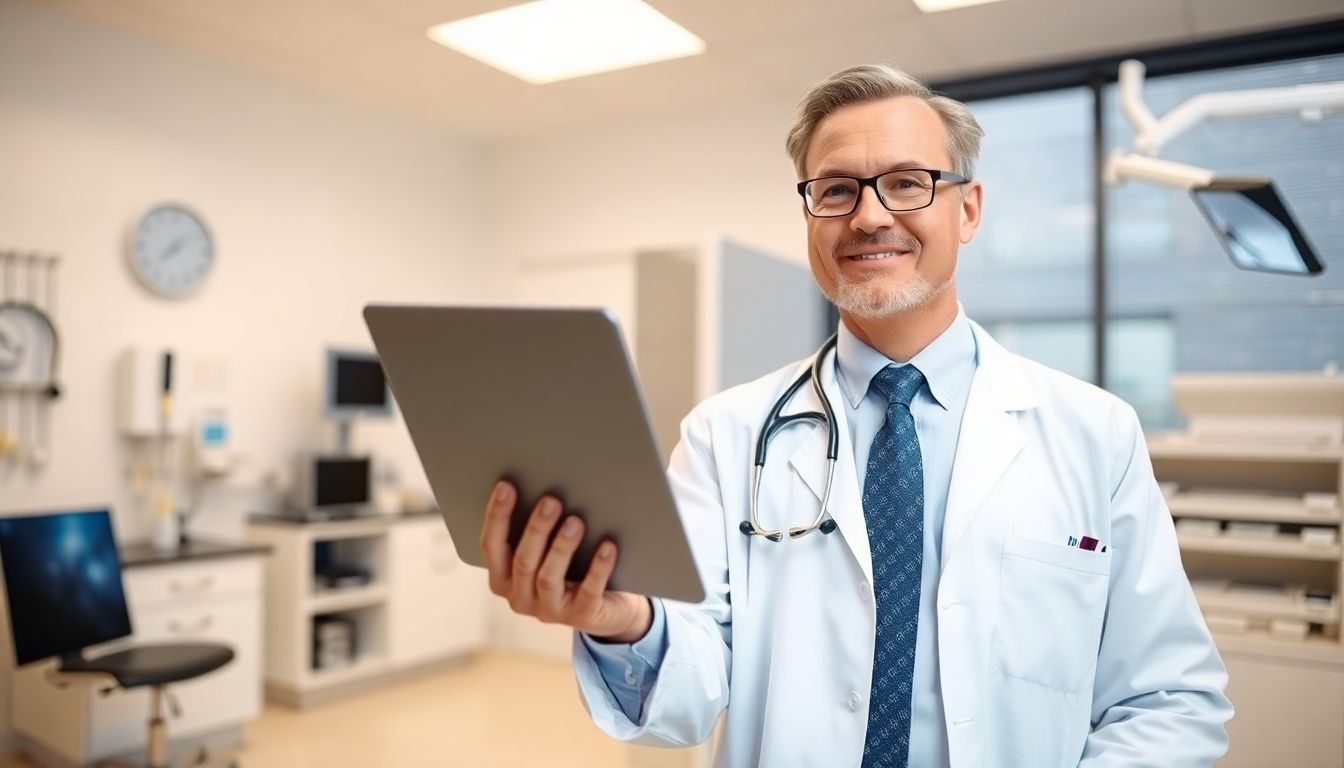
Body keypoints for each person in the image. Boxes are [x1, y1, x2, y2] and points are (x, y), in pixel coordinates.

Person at [478, 64, 1233, 768]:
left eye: (907, 183)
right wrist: (627, 622)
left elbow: (1170, 698)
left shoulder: (1095, 433)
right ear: (809, 214)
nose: (870, 216)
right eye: (837, 190)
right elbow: (692, 689)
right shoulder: (725, 434)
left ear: (968, 209)